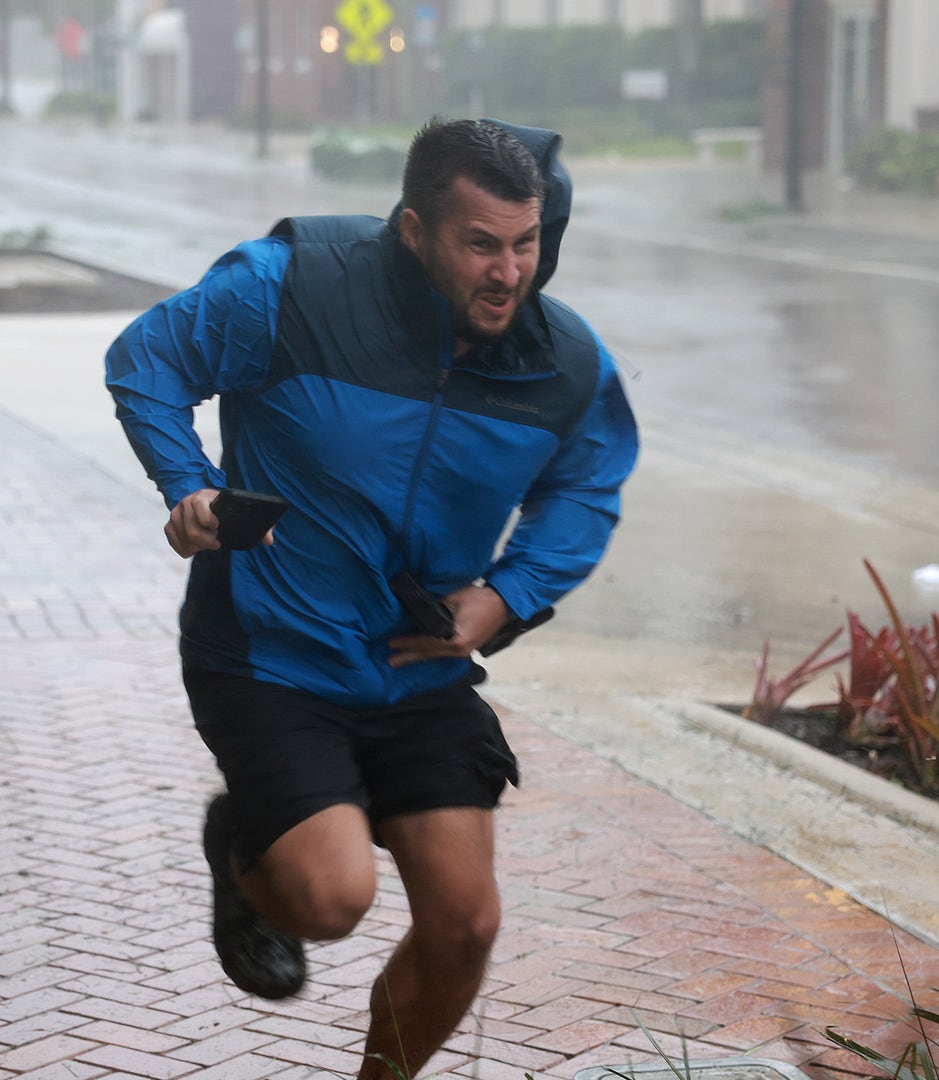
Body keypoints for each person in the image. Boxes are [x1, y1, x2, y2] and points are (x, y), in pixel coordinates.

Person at [105, 117, 639, 1079]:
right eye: (481, 244)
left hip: (416, 664)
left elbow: (586, 485)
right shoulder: (291, 286)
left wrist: (509, 594)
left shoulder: (563, 362)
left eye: (527, 244)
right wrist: (189, 488)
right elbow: (148, 361)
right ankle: (245, 848)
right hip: (272, 650)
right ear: (412, 229)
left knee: (467, 921)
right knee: (330, 899)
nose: (509, 273)